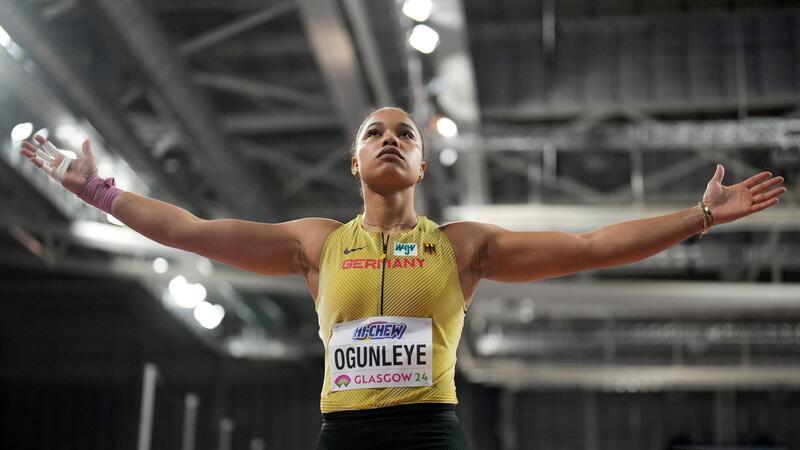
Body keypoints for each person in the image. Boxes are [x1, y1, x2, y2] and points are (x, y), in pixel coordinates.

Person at [20, 107, 787, 449]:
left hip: (430, 436)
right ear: (355, 163)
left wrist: (700, 217)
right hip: (344, 437)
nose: (390, 140)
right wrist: (98, 192)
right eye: (373, 133)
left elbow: (593, 245)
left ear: (421, 164)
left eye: (405, 134)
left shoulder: (463, 247)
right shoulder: (314, 244)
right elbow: (189, 231)